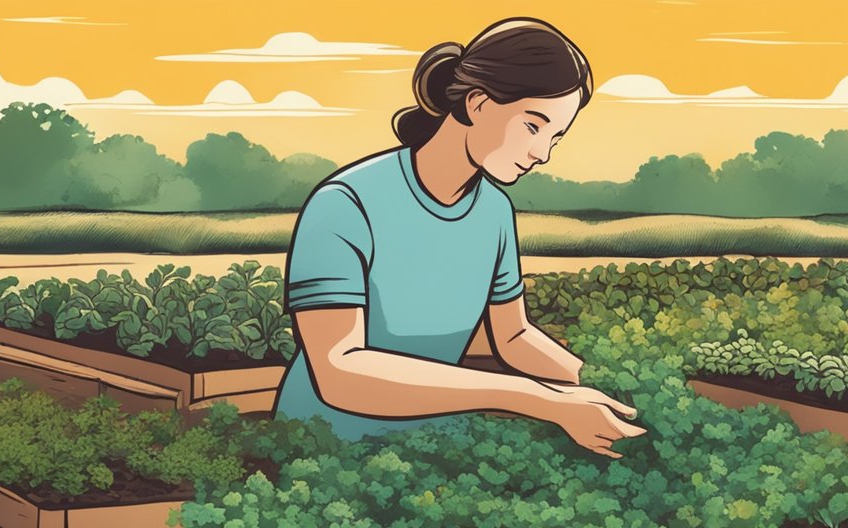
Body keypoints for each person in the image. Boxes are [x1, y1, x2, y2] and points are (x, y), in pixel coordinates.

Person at [273, 17, 646, 458]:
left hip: (439, 450)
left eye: (556, 138)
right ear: (477, 103)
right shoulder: (345, 203)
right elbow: (340, 371)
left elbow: (512, 336)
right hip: (325, 449)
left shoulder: (494, 211)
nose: (542, 154)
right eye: (533, 126)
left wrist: (609, 387)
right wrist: (542, 400)